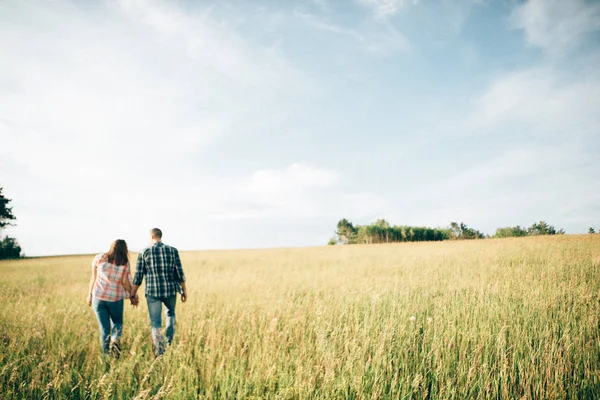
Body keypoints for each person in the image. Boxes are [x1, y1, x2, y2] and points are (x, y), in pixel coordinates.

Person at [130, 228, 187, 356]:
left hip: (153, 292)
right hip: (170, 290)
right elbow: (179, 272)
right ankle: (169, 343)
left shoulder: (144, 252)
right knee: (171, 314)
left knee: (156, 322)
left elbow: (138, 276)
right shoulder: (172, 250)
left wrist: (133, 293)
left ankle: (160, 351)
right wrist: (184, 290)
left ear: (151, 236)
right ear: (161, 236)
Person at [87, 239, 136, 357]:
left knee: (104, 328)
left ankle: (106, 357)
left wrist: (89, 295)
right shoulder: (124, 263)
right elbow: (125, 282)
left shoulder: (99, 258)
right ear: (124, 250)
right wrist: (132, 295)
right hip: (115, 299)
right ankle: (115, 339)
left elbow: (93, 278)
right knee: (117, 322)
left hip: (98, 297)